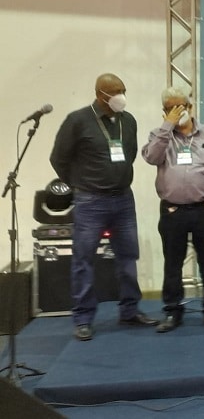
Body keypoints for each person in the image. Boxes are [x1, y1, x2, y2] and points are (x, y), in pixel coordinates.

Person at [50, 73, 157, 341]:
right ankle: (83, 318)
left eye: (123, 90)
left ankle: (130, 311)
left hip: (123, 199)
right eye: (116, 91)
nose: (122, 96)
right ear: (101, 94)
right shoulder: (77, 120)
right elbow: (58, 158)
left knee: (128, 257)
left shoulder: (128, 120)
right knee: (84, 260)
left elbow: (129, 155)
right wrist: (79, 184)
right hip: (90, 202)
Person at [141, 87, 204, 332]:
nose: (176, 111)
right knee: (173, 263)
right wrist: (167, 126)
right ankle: (173, 311)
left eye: (180, 106)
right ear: (164, 111)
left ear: (190, 107)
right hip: (173, 211)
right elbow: (151, 158)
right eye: (170, 108)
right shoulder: (159, 135)